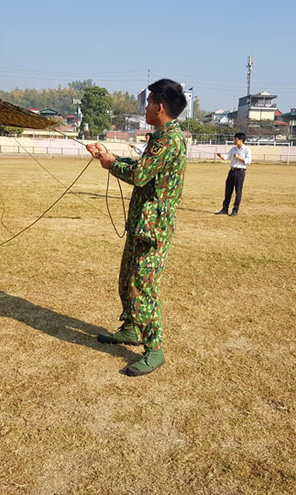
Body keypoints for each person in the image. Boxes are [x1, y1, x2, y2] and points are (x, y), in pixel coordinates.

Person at [86, 79, 187, 377]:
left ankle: (154, 350)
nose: (145, 107)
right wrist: (114, 157)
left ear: (159, 106)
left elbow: (141, 175)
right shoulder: (161, 137)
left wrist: (109, 163)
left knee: (142, 286)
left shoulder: (169, 139)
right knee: (126, 278)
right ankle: (131, 328)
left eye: (148, 102)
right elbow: (146, 164)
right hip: (143, 224)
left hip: (153, 228)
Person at [215, 132, 251, 216]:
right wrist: (220, 156)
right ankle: (225, 209)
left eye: (236, 139)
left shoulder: (246, 149)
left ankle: (235, 210)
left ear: (241, 140)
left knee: (238, 191)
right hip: (232, 171)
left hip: (240, 172)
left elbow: (248, 161)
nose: (234, 140)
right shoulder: (233, 149)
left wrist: (238, 157)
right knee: (228, 190)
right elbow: (227, 157)